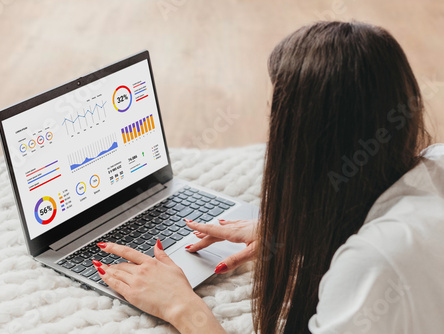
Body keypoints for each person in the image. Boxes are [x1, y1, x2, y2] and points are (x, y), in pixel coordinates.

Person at [92, 21, 444, 333]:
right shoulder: (436, 160)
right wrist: (298, 237)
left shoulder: (371, 265)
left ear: (309, 144)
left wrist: (183, 308)